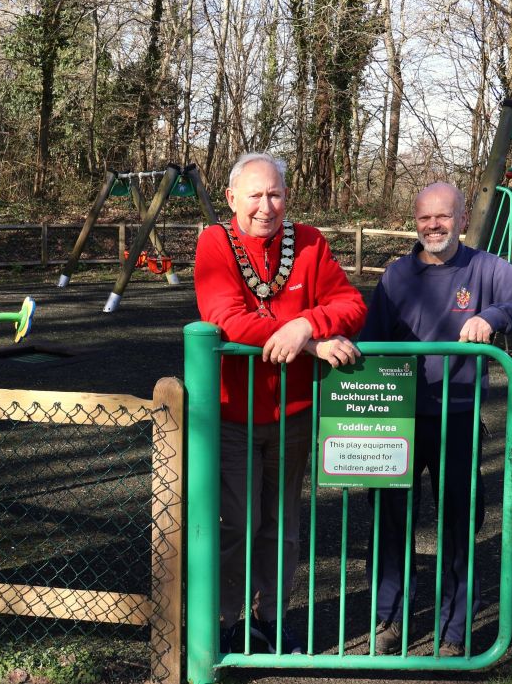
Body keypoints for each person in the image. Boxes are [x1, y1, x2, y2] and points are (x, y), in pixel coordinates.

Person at [359, 181, 512, 657]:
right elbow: (368, 340)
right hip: (395, 419)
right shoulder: (396, 276)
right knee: (389, 521)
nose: (434, 225)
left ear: (462, 219)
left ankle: (454, 628)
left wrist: (496, 315)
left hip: (457, 418)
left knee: (458, 523)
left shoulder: (486, 268)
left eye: (443, 216)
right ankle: (390, 617)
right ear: (415, 221)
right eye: (425, 217)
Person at [194, 152, 366, 654]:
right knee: (235, 523)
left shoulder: (308, 241)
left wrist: (308, 323)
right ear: (232, 198)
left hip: (293, 417)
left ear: (287, 196)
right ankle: (225, 620)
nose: (265, 206)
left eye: (275, 194)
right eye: (255, 195)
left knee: (282, 527)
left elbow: (351, 304)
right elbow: (225, 317)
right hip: (233, 415)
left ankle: (271, 618)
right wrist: (308, 341)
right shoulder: (215, 242)